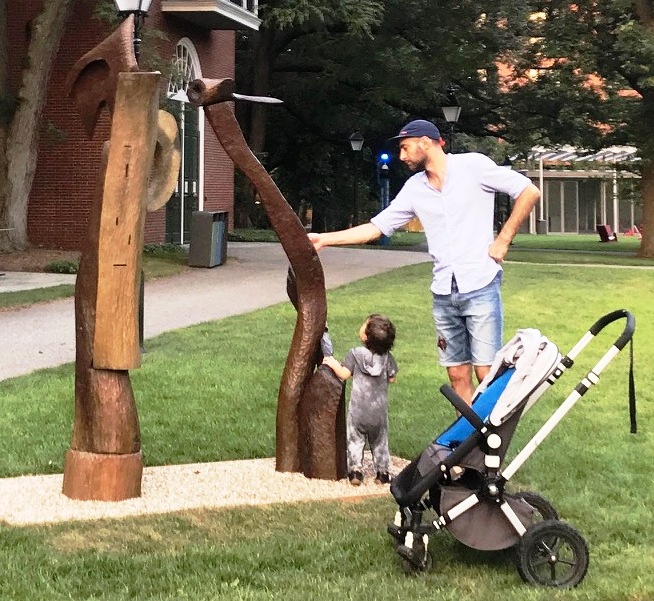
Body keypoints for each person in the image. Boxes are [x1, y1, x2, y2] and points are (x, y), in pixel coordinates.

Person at [309, 119, 540, 406]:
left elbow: (528, 191)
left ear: (425, 142)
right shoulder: (414, 188)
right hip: (443, 292)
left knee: (486, 373)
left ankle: (494, 434)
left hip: (480, 284)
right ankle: (468, 434)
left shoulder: (473, 166)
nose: (402, 156)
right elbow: (377, 227)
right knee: (457, 374)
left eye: (405, 148)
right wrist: (324, 239)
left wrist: (503, 238)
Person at [322, 314, 398, 486]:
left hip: (358, 411)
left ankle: (355, 471)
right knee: (380, 442)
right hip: (378, 413)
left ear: (366, 337)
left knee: (355, 439)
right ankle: (382, 473)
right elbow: (392, 378)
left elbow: (343, 374)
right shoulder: (387, 358)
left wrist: (333, 363)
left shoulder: (355, 354)